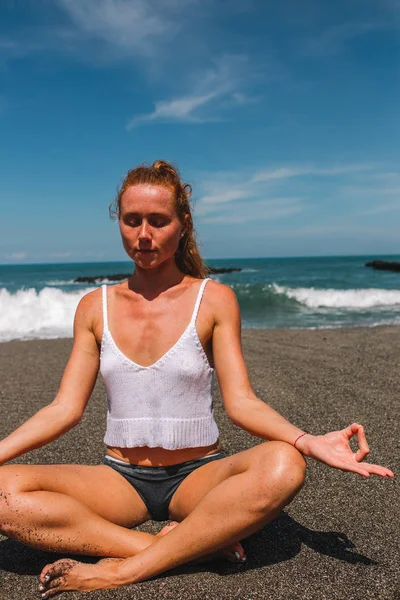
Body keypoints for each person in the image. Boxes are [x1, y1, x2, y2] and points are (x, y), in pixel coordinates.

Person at [0, 161, 393, 597]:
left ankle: (122, 570)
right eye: (132, 221)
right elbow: (64, 408)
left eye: (158, 220)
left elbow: (241, 402)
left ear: (183, 224)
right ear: (120, 223)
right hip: (119, 481)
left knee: (284, 466)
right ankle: (176, 547)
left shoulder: (214, 299)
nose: (143, 234)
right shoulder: (96, 306)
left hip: (198, 478)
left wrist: (307, 441)